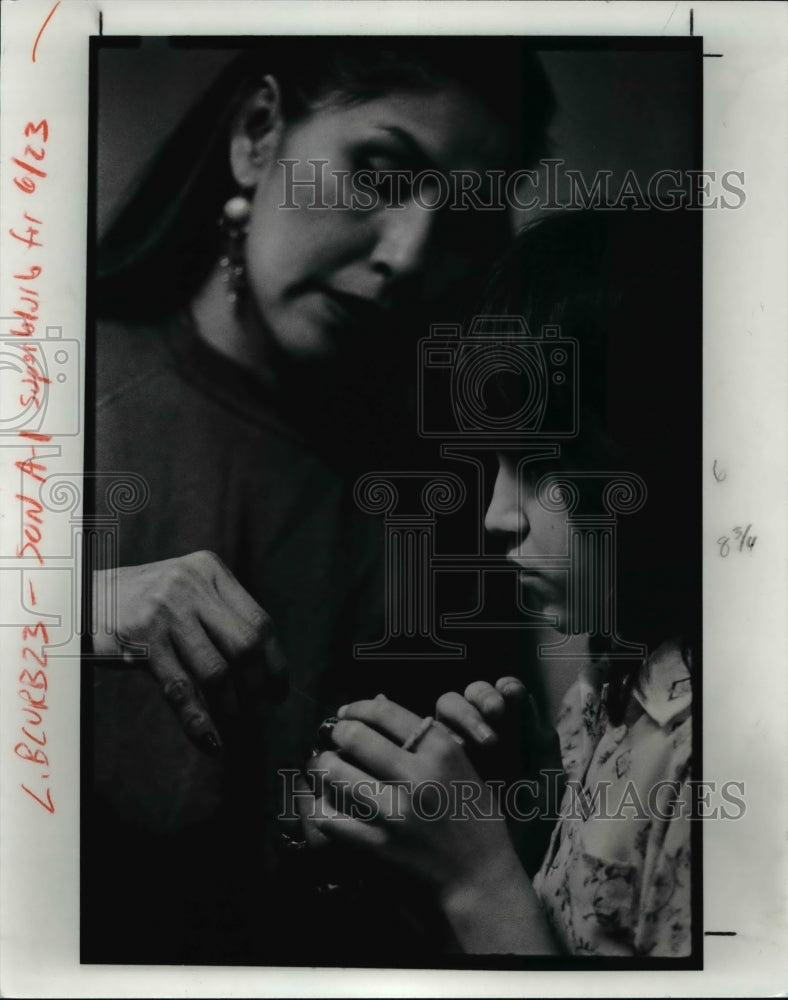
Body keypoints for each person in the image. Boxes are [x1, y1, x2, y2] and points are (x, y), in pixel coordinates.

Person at [84, 39, 556, 963]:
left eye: (457, 215)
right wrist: (66, 607)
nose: (406, 255)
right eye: (378, 175)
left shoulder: (477, 492)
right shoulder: (54, 386)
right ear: (258, 134)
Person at [297, 208, 701, 957]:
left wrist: (476, 876)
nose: (494, 516)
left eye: (540, 467)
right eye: (496, 467)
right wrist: (478, 828)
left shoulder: (703, 752)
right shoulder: (609, 690)